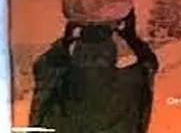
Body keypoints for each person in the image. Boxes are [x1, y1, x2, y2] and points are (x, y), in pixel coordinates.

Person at [29, 9, 159, 133]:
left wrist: (64, 44)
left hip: (85, 70)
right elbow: (147, 71)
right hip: (86, 68)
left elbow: (147, 72)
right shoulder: (128, 84)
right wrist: (132, 39)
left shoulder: (128, 83)